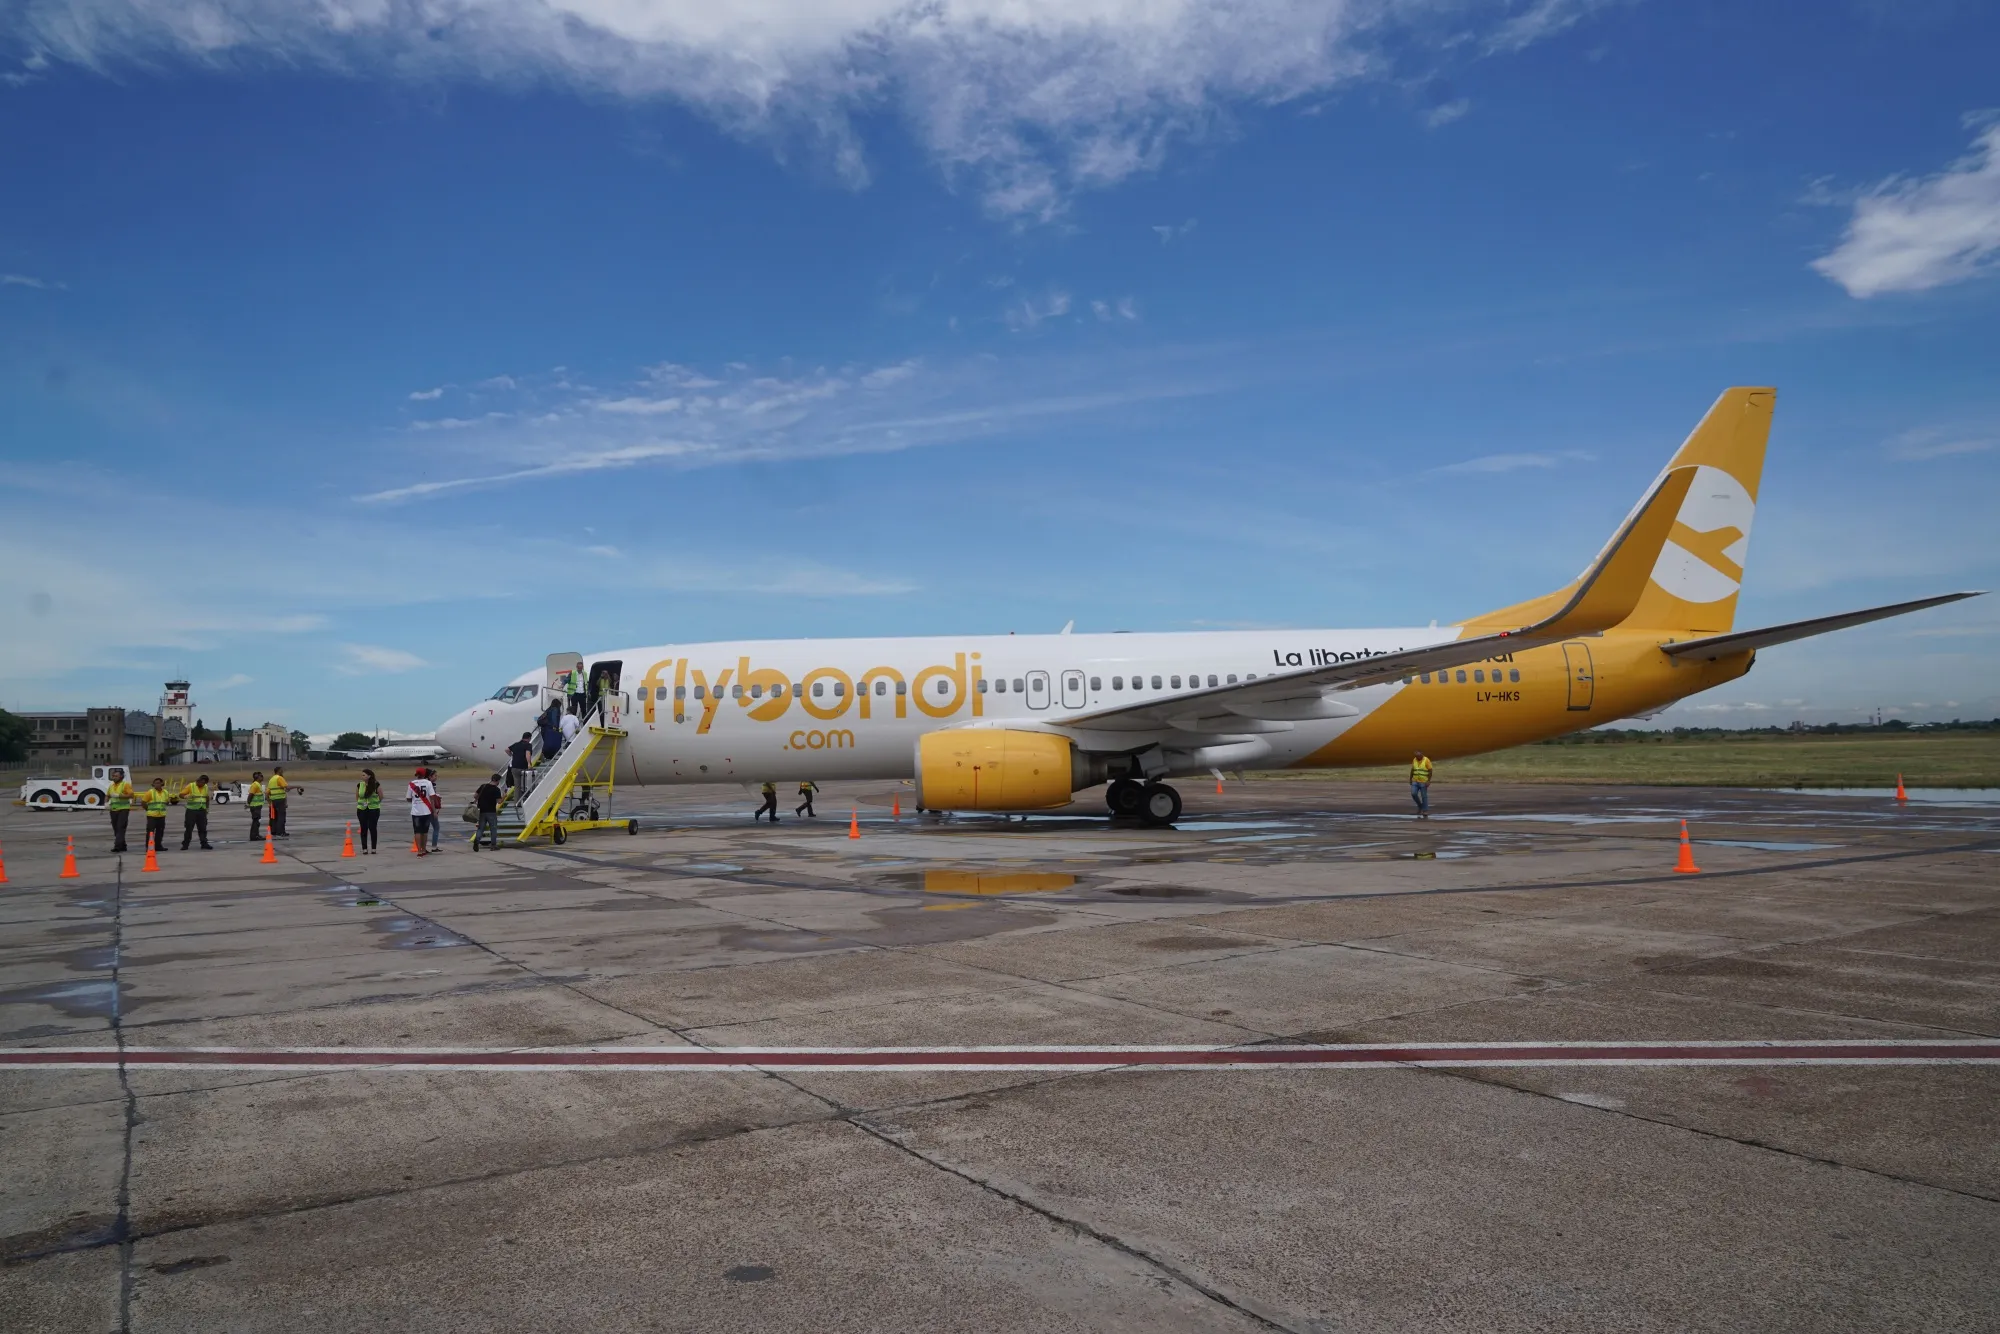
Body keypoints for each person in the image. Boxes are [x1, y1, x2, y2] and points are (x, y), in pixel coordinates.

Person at [179, 773, 214, 850]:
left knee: (203, 828)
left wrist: (207, 808)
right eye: (200, 782)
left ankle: (204, 843)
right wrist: (186, 796)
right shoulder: (191, 786)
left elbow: (206, 798)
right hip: (191, 811)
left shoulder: (205, 787)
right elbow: (180, 794)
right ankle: (185, 844)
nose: (201, 784)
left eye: (203, 783)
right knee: (189, 828)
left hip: (202, 810)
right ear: (198, 780)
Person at [408, 767, 438, 855]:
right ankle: (424, 849)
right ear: (425, 774)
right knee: (425, 831)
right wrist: (434, 811)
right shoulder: (428, 783)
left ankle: (419, 851)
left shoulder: (411, 784)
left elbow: (408, 798)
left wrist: (415, 800)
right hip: (426, 811)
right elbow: (432, 797)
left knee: (417, 831)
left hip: (416, 812)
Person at [141, 778, 173, 857]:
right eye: (155, 783)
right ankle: (149, 847)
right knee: (150, 832)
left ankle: (158, 846)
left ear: (162, 784)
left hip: (161, 815)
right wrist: (148, 809)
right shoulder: (150, 792)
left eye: (158, 783)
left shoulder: (165, 792)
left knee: (160, 832)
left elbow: (166, 801)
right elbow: (143, 802)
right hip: (152, 815)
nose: (157, 784)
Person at [105, 767, 134, 853]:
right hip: (113, 810)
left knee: (120, 827)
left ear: (121, 776)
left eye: (116, 776)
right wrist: (106, 803)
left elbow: (131, 795)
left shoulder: (125, 785)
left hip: (123, 809)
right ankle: (123, 845)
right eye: (113, 776)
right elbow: (107, 795)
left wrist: (119, 796)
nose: (114, 777)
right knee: (116, 829)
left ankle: (117, 846)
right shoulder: (111, 786)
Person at [473, 773, 504, 850]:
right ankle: (493, 845)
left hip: (482, 811)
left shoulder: (483, 786)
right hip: (491, 812)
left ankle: (476, 841)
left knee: (481, 828)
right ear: (497, 781)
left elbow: (475, 796)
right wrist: (504, 796)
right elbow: (499, 801)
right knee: (493, 829)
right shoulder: (496, 790)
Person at [355, 769, 382, 853]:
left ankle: (374, 848)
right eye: (362, 775)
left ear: (369, 776)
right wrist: (361, 804)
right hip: (362, 809)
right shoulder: (359, 785)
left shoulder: (376, 785)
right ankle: (364, 848)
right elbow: (357, 796)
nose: (362, 777)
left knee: (372, 828)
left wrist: (375, 803)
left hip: (373, 809)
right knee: (363, 828)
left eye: (364, 775)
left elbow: (381, 796)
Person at [268, 767, 299, 837]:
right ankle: (281, 832)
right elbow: (287, 787)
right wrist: (297, 786)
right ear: (278, 771)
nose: (282, 771)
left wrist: (269, 801)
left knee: (274, 817)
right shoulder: (279, 778)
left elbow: (270, 791)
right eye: (281, 770)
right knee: (281, 817)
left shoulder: (271, 779)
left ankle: (274, 831)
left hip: (273, 800)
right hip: (280, 800)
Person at [421, 767, 443, 850]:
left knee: (424, 829)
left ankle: (423, 847)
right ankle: (434, 846)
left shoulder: (424, 784)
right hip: (430, 809)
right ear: (429, 777)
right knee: (436, 827)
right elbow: (431, 798)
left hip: (423, 808)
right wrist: (434, 811)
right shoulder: (430, 785)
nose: (436, 777)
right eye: (435, 776)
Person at [1410, 750, 1434, 819]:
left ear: (1422, 755)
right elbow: (1412, 770)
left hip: (1423, 781)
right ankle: (1420, 806)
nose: (1417, 757)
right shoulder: (1414, 759)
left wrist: (1428, 781)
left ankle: (1425, 810)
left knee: (1424, 796)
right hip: (1415, 780)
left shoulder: (1426, 760)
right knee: (1413, 793)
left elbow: (1430, 770)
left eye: (1418, 756)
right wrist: (1410, 779)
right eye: (1416, 756)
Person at [246, 771, 266, 840]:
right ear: (257, 777)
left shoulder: (258, 784)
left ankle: (256, 835)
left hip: (257, 806)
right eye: (261, 776)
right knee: (256, 822)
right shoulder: (255, 785)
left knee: (257, 822)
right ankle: (254, 836)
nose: (262, 777)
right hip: (255, 806)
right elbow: (250, 795)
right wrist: (248, 804)